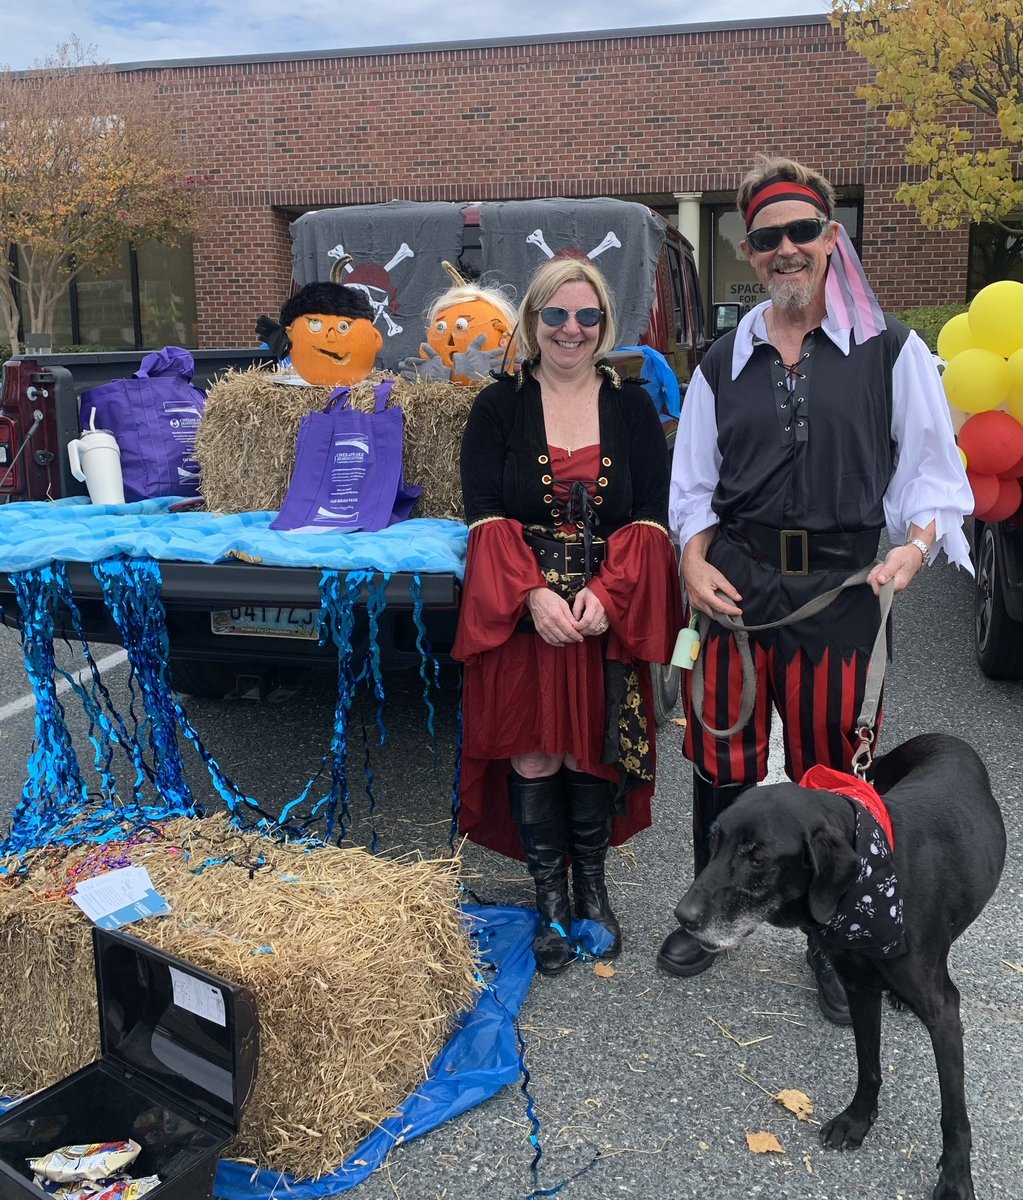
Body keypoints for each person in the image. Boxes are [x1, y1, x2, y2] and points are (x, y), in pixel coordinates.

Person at [658, 156, 973, 1023]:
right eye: (767, 239)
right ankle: (708, 913)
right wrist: (692, 557)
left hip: (841, 589)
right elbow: (692, 486)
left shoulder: (890, 349)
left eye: (803, 232)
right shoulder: (722, 359)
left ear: (831, 239)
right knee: (721, 766)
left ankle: (829, 945)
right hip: (737, 586)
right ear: (749, 251)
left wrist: (912, 549)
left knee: (827, 778)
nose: (786, 250)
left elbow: (935, 477)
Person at [452, 256, 683, 975]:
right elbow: (483, 511)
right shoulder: (498, 407)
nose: (571, 330)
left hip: (598, 613)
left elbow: (649, 514)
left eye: (586, 316)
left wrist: (609, 597)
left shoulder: (632, 406)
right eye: (555, 315)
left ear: (604, 324)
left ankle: (593, 892)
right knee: (532, 750)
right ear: (532, 322)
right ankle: (549, 902)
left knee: (591, 751)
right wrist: (530, 594)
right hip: (524, 611)